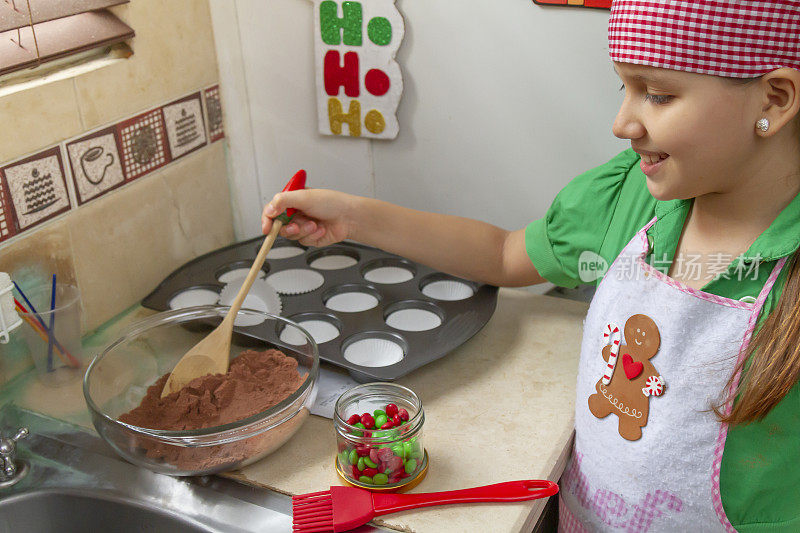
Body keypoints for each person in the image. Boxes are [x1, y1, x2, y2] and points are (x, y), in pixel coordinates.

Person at [262, 1, 800, 530]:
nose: (622, 123)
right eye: (625, 88)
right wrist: (352, 217)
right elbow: (504, 254)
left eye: (658, 95)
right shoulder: (631, 196)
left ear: (774, 99)